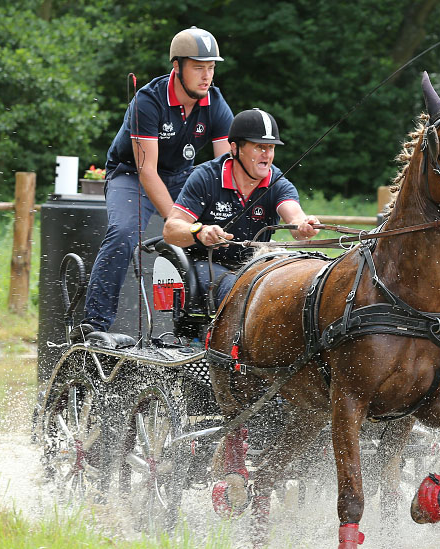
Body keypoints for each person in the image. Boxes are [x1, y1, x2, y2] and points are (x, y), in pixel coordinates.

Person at [71, 26, 233, 341]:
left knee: (224, 231)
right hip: (131, 174)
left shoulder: (214, 101)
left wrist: (215, 221)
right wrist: (180, 223)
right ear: (177, 66)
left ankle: (204, 329)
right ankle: (94, 325)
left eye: (211, 68)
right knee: (124, 233)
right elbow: (148, 172)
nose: (206, 76)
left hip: (182, 174)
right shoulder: (148, 101)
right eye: (198, 67)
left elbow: (223, 166)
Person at [162, 108, 320, 306]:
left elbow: (295, 220)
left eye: (271, 148)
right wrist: (200, 232)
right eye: (259, 147)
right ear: (235, 149)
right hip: (208, 264)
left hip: (257, 266)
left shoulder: (277, 182)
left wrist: (304, 225)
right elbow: (170, 229)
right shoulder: (206, 177)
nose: (267, 155)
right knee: (243, 290)